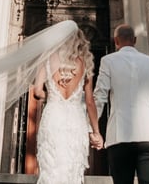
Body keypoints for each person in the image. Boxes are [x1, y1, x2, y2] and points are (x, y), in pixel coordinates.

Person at [93, 24, 149, 184]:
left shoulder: (108, 61)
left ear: (115, 40)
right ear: (135, 40)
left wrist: (93, 130)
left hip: (119, 136)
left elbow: (100, 97)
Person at [33, 28, 103, 184]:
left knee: (51, 166)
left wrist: (51, 96)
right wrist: (96, 132)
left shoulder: (47, 60)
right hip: (75, 119)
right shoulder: (85, 64)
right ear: (79, 41)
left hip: (53, 116)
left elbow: (37, 91)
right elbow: (90, 101)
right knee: (73, 166)